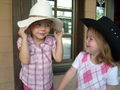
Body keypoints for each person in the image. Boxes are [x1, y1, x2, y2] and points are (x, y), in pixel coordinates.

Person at [57, 16, 120, 90]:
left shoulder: (111, 67)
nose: (87, 41)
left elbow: (111, 87)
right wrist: (59, 88)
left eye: (91, 38)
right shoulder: (81, 57)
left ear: (103, 44)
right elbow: (71, 72)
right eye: (87, 37)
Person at [17, 0, 64, 90]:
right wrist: (23, 37)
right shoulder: (23, 41)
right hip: (30, 84)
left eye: (47, 25)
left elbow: (58, 58)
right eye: (38, 25)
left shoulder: (51, 40)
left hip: (48, 84)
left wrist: (58, 39)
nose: (43, 29)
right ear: (30, 26)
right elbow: (25, 60)